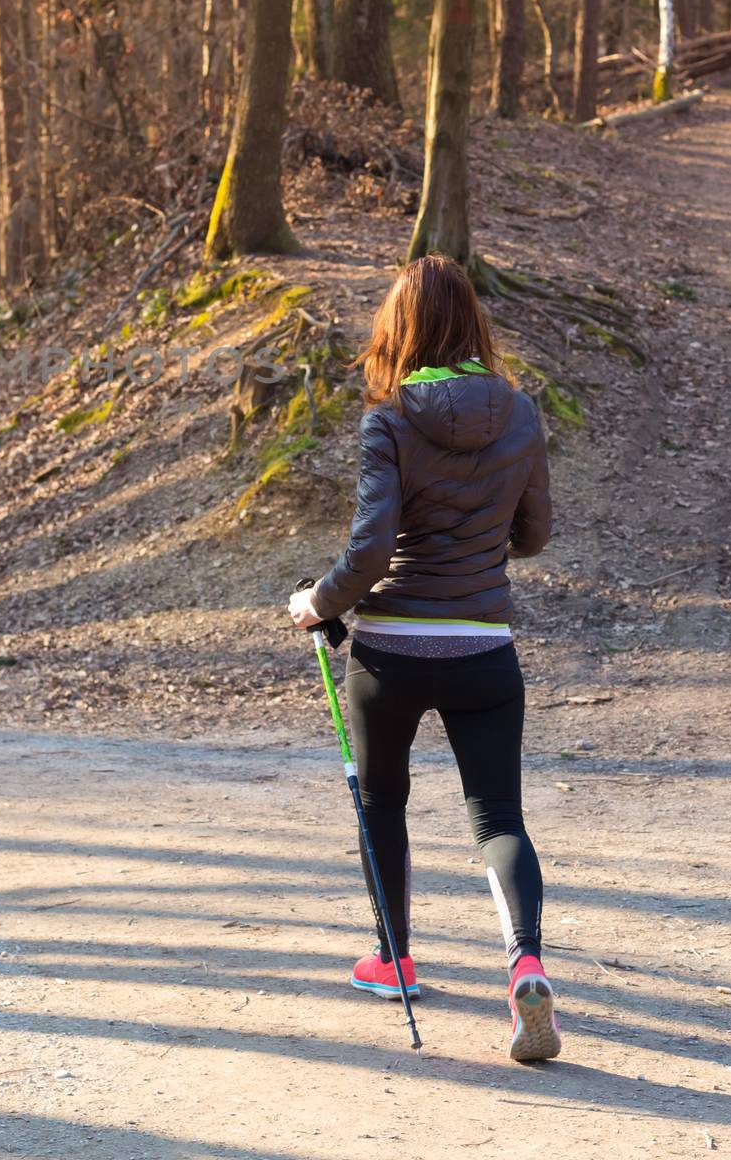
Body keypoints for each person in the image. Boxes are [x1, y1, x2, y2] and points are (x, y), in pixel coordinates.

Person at [288, 254, 557, 1063]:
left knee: (382, 804)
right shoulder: (521, 413)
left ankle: (394, 960)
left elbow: (370, 551)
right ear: (473, 322)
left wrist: (316, 604)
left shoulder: (389, 419)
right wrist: (481, 540)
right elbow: (535, 535)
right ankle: (526, 971)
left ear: (399, 329)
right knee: (498, 818)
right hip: (483, 647)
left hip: (390, 652)